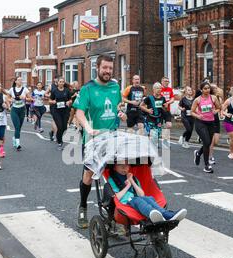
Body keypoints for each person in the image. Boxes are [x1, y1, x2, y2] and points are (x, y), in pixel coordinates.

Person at [75, 54, 127, 229]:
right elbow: (79, 113)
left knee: (116, 176)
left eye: (110, 68)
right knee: (88, 177)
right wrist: (88, 128)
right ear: (97, 67)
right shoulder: (87, 89)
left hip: (112, 139)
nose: (108, 71)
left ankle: (113, 214)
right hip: (92, 140)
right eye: (105, 68)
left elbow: (119, 107)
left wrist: (122, 114)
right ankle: (83, 206)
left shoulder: (115, 87)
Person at [108, 162, 187, 223]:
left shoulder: (133, 178)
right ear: (114, 167)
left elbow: (141, 194)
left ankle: (167, 215)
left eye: (126, 164)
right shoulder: (112, 179)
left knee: (149, 198)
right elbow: (116, 197)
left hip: (136, 199)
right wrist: (128, 186)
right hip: (124, 203)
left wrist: (132, 181)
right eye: (120, 165)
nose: (124, 167)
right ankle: (152, 213)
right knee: (138, 200)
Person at [191, 82, 221, 174]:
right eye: (205, 88)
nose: (207, 90)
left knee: (207, 143)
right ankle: (206, 165)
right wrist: (197, 116)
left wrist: (215, 111)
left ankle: (198, 153)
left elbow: (219, 107)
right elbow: (192, 112)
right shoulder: (198, 100)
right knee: (207, 142)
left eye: (208, 88)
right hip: (200, 123)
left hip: (211, 123)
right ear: (201, 90)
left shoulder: (213, 98)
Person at [49, 77, 72, 151]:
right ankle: (59, 142)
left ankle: (58, 136)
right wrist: (53, 102)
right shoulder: (54, 91)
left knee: (64, 127)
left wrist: (69, 102)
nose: (61, 83)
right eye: (60, 82)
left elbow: (70, 99)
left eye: (63, 82)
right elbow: (50, 100)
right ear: (58, 83)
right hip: (56, 111)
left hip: (65, 111)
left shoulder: (67, 91)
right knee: (60, 126)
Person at [9, 77, 30, 151]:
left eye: (21, 80)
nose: (21, 81)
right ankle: (18, 143)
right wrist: (10, 100)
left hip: (22, 110)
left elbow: (30, 99)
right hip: (14, 110)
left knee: (19, 127)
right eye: (19, 80)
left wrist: (25, 98)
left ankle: (14, 138)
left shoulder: (25, 89)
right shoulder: (12, 89)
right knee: (17, 126)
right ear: (15, 81)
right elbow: (8, 98)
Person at [208, 84, 224, 165]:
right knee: (211, 140)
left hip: (216, 120)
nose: (216, 89)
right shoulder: (207, 98)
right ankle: (210, 156)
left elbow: (220, 108)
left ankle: (200, 152)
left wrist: (220, 113)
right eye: (214, 88)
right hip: (208, 120)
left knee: (216, 141)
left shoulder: (219, 98)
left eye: (216, 88)